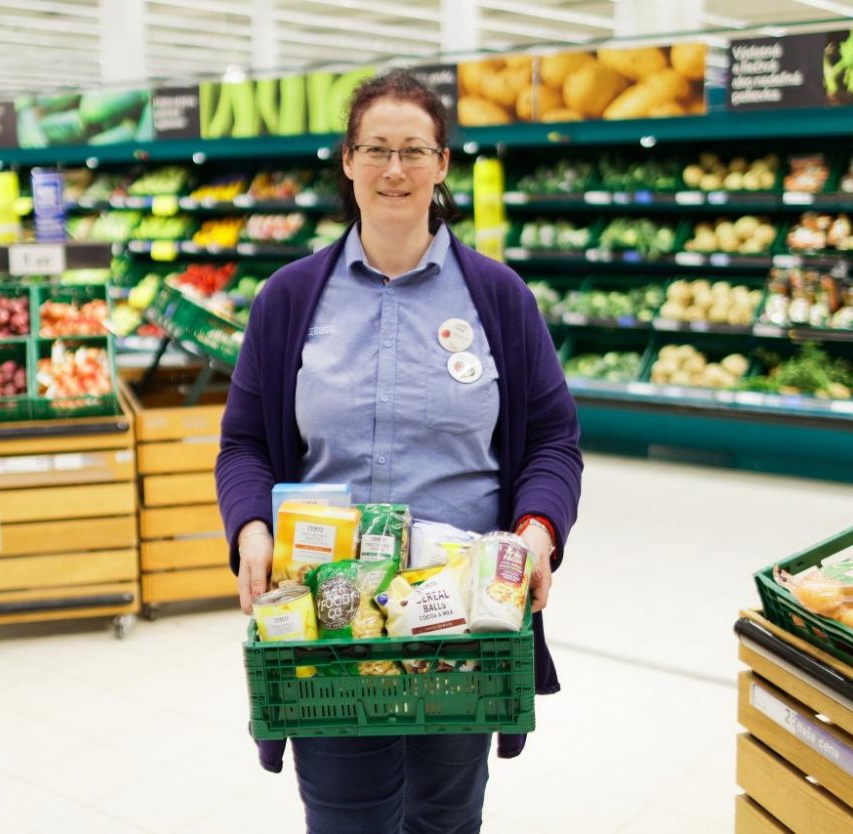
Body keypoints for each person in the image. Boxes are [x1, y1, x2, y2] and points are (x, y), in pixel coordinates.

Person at [215, 70, 583, 834]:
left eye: (413, 151)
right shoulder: (289, 298)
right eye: (375, 149)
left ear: (442, 164)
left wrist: (539, 531)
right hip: (330, 617)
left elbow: (553, 439)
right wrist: (251, 528)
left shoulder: (498, 296)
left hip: (464, 621)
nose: (394, 170)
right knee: (346, 816)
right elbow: (245, 443)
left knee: (447, 817)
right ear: (347, 161)